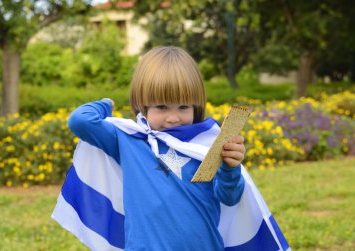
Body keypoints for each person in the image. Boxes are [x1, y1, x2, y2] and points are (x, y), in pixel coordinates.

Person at [52, 46, 290, 251]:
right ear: (142, 105)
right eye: (162, 107)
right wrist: (106, 105)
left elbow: (229, 197)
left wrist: (230, 168)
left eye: (183, 107)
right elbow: (80, 121)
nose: (173, 118)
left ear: (196, 107)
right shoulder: (128, 140)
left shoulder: (206, 143)